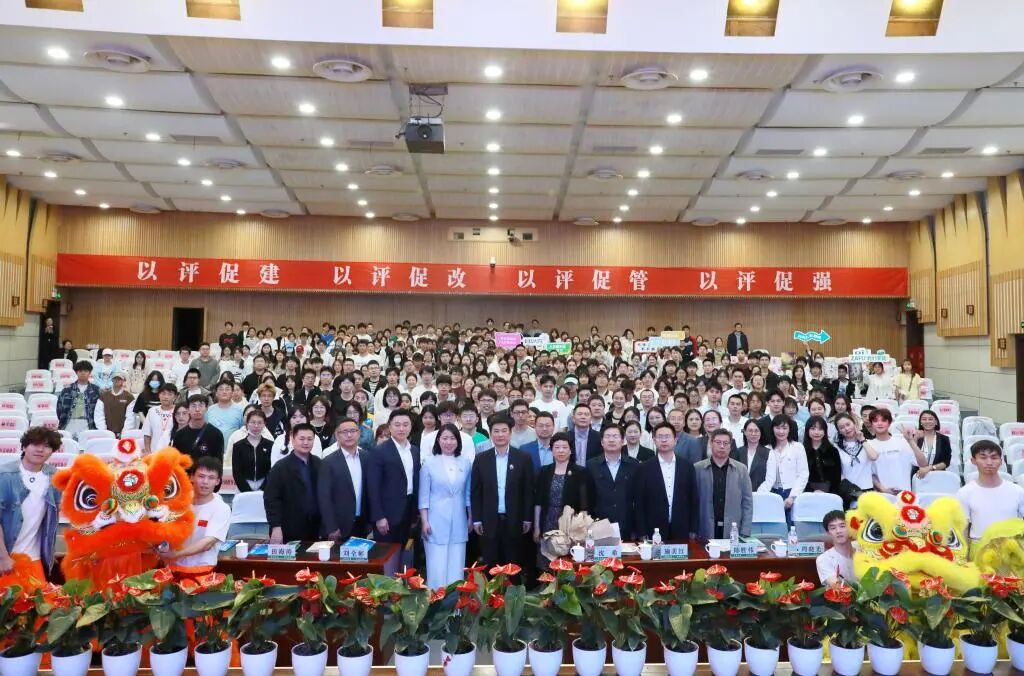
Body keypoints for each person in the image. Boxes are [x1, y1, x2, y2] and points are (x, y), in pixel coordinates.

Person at [0, 427, 62, 590]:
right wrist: (3, 557)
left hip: (34, 558)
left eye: (47, 446)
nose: (40, 449)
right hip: (6, 557)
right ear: (24, 447)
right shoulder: (4, 475)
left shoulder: (54, 477)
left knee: (38, 604)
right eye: (35, 444)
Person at [471, 415, 534, 569]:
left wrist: (527, 518)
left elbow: (528, 491)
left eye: (504, 431)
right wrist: (477, 519)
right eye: (496, 431)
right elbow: (476, 492)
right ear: (490, 434)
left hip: (514, 519)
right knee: (490, 564)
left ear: (510, 433)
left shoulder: (523, 458)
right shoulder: (481, 459)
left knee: (513, 565)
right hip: (488, 520)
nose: (500, 435)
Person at [419, 423, 473, 589]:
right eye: (445, 438)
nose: (448, 442)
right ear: (438, 440)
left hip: (459, 518)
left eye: (452, 438)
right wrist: (425, 521)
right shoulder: (429, 463)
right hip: (435, 519)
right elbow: (424, 496)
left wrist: (470, 517)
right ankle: (436, 596)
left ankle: (455, 598)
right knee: (436, 561)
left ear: (458, 441)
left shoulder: (465, 463)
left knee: (457, 559)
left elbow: (468, 494)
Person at [160, 457, 230, 574]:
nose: (205, 482)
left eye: (211, 478)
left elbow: (208, 543)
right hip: (171, 568)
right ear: (192, 477)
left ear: (217, 481)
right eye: (201, 476)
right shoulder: (179, 500)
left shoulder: (221, 508)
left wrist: (176, 554)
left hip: (202, 570)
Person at [634, 422, 698, 541]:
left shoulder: (687, 466)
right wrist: (642, 531)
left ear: (675, 440)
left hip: (682, 527)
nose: (664, 440)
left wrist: (693, 528)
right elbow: (639, 502)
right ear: (654, 440)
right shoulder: (644, 468)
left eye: (667, 436)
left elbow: (693, 499)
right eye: (660, 437)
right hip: (653, 529)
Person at [368, 410, 421, 549]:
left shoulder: (414, 451)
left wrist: (415, 513)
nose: (401, 428)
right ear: (390, 427)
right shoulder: (379, 451)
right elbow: (373, 487)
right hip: (387, 514)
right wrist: (379, 516)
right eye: (397, 425)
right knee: (386, 555)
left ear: (411, 427)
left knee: (403, 552)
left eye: (405, 425)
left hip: (408, 511)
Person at [956, 440, 1024, 542]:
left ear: (1001, 461)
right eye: (983, 458)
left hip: (1013, 545)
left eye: (994, 457)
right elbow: (963, 528)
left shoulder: (1017, 491)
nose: (989, 462)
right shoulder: (964, 493)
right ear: (973, 460)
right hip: (979, 545)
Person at [265, 423, 322, 543]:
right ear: (292, 439)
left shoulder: (319, 464)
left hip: (315, 528)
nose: (306, 442)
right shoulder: (280, 467)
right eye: (302, 439)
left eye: (309, 439)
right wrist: (276, 527)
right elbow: (271, 499)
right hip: (288, 529)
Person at [318, 418, 371, 543]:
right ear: (337, 435)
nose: (349, 435)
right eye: (344, 432)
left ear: (359, 433)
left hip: (362, 524)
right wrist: (331, 527)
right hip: (338, 526)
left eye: (353, 431)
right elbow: (324, 497)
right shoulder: (328, 462)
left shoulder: (367, 457)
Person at [695, 428, 753, 540]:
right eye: (718, 442)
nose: (722, 446)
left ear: (730, 446)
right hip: (704, 529)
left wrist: (745, 530)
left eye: (726, 443)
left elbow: (747, 502)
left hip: (733, 529)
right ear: (711, 444)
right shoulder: (698, 468)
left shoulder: (741, 469)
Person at [586, 424, 640, 539]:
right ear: (602, 442)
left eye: (615, 436)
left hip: (627, 525)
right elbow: (587, 498)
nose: (611, 440)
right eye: (607, 436)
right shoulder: (591, 465)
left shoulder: (634, 465)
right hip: (599, 524)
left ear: (622, 441)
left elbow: (639, 498)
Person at [864, 408, 926, 495]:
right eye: (875, 421)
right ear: (871, 424)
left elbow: (923, 464)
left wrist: (911, 441)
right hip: (881, 495)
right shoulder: (868, 444)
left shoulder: (902, 441)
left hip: (904, 495)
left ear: (889, 423)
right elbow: (869, 472)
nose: (880, 423)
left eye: (883, 420)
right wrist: (882, 488)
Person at [767, 415, 809, 519]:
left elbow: (803, 474)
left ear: (789, 429)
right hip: (773, 493)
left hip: (793, 492)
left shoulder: (798, 447)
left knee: (792, 524)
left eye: (784, 428)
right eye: (777, 428)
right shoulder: (767, 448)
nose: (781, 431)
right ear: (772, 429)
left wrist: (792, 497)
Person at [171, 395, 225, 463]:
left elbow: (219, 462)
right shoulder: (179, 435)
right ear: (188, 409)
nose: (197, 409)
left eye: (201, 406)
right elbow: (176, 462)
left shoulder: (216, 434)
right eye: (193, 406)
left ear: (206, 408)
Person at [56, 360, 101, 439]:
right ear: (76, 372)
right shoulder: (67, 390)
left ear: (90, 373)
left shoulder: (96, 390)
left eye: (85, 371)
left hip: (89, 425)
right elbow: (59, 409)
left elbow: (100, 411)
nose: (83, 373)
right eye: (80, 371)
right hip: (69, 424)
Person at [231, 409, 274, 492]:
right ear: (247, 423)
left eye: (260, 422)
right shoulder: (238, 446)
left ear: (264, 424)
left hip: (264, 485)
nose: (256, 425)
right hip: (243, 485)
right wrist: (246, 490)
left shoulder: (270, 445)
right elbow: (236, 471)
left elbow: (272, 469)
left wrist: (263, 488)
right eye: (253, 422)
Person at [906, 410, 953, 478]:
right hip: (917, 475)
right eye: (924, 419)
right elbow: (910, 456)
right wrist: (916, 438)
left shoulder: (944, 439)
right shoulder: (913, 437)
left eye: (930, 419)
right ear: (920, 422)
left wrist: (930, 468)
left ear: (936, 422)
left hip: (937, 475)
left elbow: (946, 462)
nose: (927, 421)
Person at [803, 416, 841, 495]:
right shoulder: (802, 451)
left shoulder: (833, 451)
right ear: (807, 430)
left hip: (830, 492)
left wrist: (830, 491)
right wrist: (811, 491)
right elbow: (800, 476)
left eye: (820, 429)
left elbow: (837, 476)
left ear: (825, 431)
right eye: (813, 429)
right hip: (807, 492)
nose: (816, 432)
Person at [816, 510, 854, 585]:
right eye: (833, 528)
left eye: (842, 526)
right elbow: (836, 586)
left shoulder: (863, 550)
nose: (838, 531)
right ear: (828, 533)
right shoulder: (824, 559)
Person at [95, 371, 136, 437]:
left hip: (122, 434)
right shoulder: (104, 396)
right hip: (106, 434)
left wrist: (124, 433)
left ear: (123, 381)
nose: (117, 380)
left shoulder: (129, 397)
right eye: (115, 378)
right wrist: (104, 432)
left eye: (119, 379)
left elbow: (130, 418)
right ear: (112, 380)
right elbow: (99, 415)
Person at [740, 418, 775, 493]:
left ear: (760, 433)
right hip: (740, 494)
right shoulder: (738, 452)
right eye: (750, 431)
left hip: (761, 494)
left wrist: (758, 493)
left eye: (756, 431)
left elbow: (770, 479)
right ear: (745, 432)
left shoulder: (769, 453)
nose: (753, 434)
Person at [142, 383, 178, 454]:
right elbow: (147, 433)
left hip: (173, 453)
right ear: (159, 395)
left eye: (170, 394)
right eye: (163, 394)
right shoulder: (152, 411)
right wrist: (147, 450)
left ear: (175, 397)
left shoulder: (179, 411)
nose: (166, 397)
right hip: (154, 452)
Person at [205, 380, 244, 445]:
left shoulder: (240, 411)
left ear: (232, 392)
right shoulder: (209, 410)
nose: (224, 392)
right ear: (216, 393)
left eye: (227, 389)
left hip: (233, 448)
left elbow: (243, 431)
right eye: (221, 389)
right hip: (212, 448)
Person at [570, 402, 602, 467]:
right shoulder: (566, 437)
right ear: (573, 418)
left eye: (586, 414)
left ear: (591, 419)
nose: (583, 417)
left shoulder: (599, 437)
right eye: (579, 414)